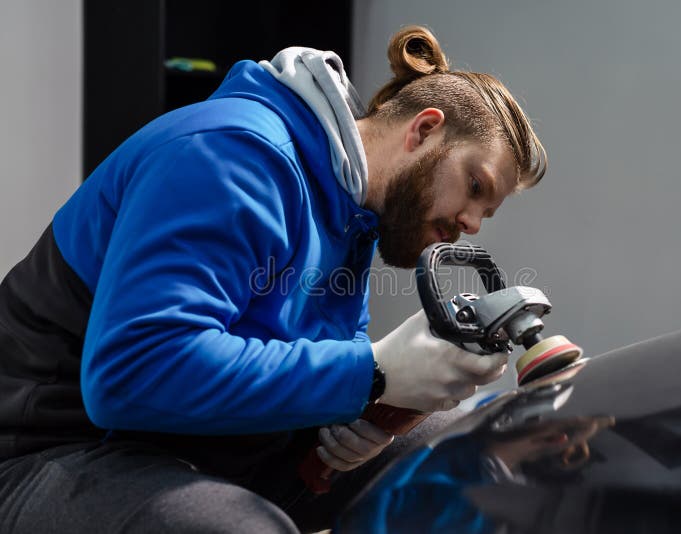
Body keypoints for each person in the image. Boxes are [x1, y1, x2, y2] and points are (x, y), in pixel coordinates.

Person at [0, 25, 547, 532]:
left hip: (204, 442)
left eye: (487, 212)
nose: (472, 224)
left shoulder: (353, 212)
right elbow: (134, 372)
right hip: (57, 449)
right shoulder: (229, 154)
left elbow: (307, 361)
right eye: (475, 186)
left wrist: (366, 413)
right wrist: (372, 372)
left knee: (467, 457)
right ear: (425, 130)